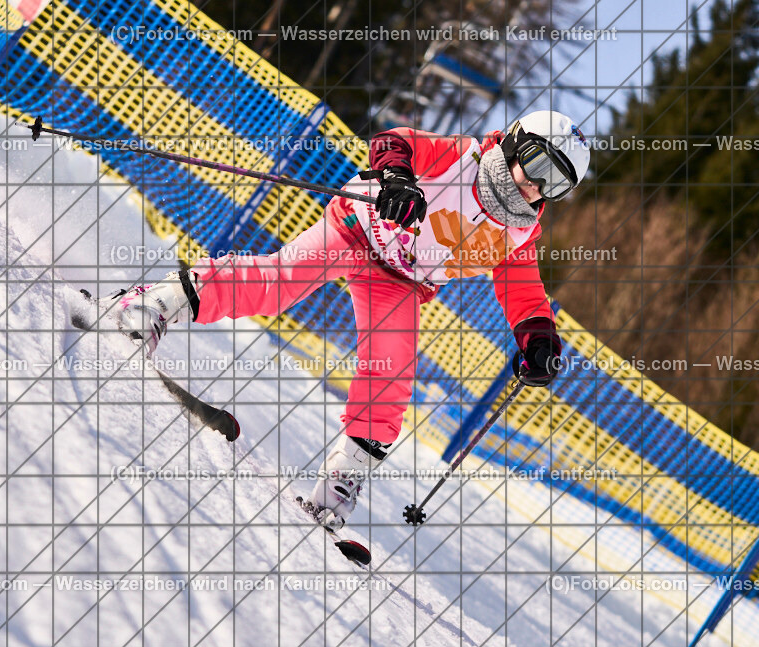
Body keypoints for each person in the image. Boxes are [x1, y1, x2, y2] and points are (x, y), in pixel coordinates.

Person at [88, 110, 590, 530]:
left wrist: (539, 338)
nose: (536, 185)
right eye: (538, 165)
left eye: (556, 183)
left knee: (390, 372)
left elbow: (524, 292)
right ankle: (155, 304)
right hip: (356, 228)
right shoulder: (465, 157)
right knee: (280, 281)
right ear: (518, 141)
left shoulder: (519, 235)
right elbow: (396, 141)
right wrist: (396, 178)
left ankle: (339, 485)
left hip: (400, 279)